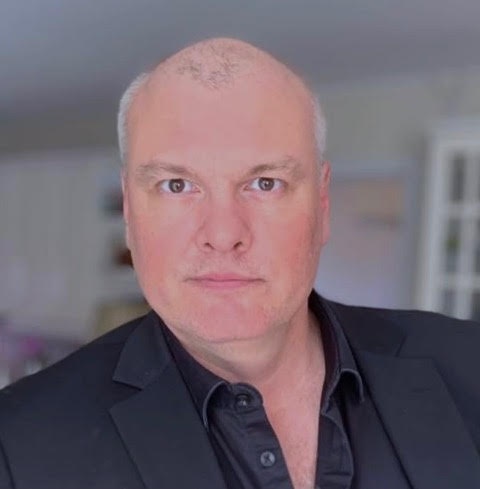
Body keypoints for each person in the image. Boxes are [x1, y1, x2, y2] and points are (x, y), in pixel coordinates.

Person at [0, 37, 479, 489]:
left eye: (265, 183)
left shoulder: (469, 365)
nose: (224, 234)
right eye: (176, 185)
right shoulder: (19, 445)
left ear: (322, 204)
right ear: (129, 210)